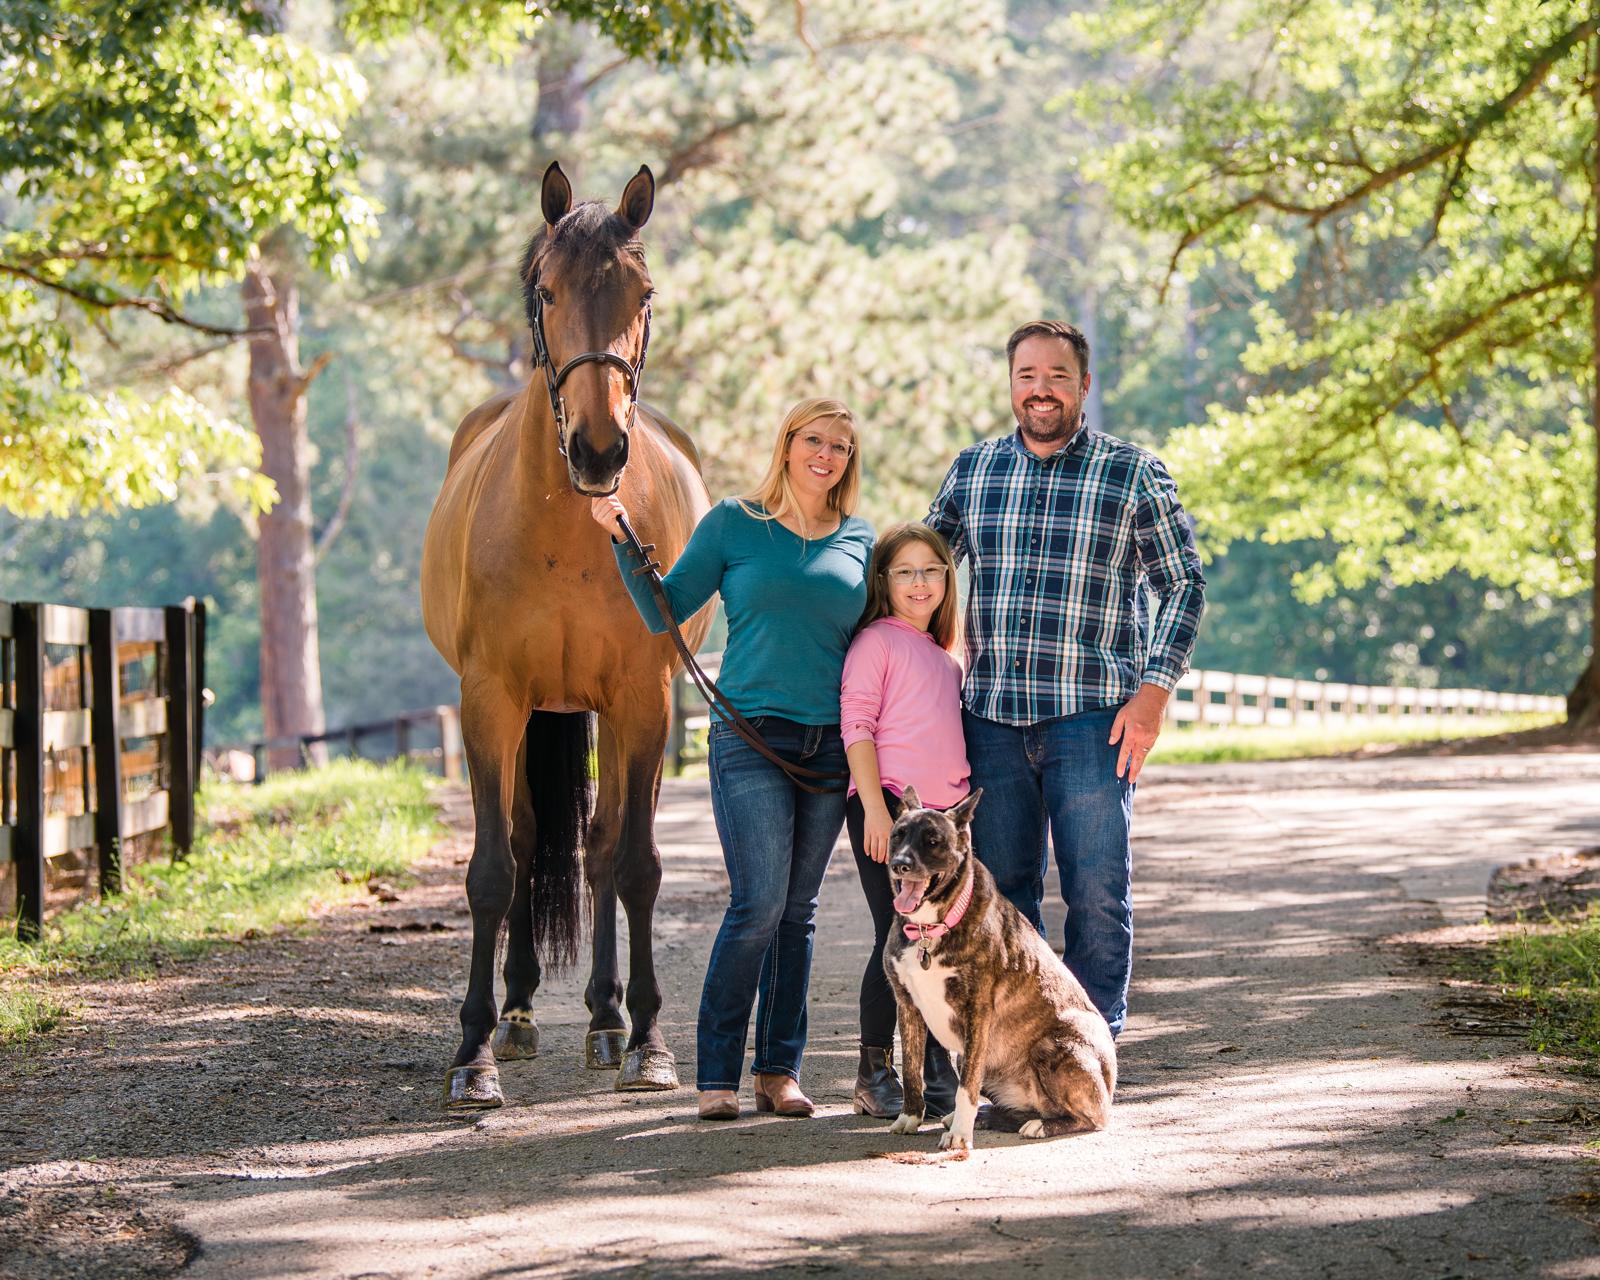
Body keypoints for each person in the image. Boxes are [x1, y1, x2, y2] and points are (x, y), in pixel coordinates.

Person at [591, 398, 873, 1121]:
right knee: (759, 904)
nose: (827, 455)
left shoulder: (860, 540)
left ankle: (778, 1071)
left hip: (829, 748)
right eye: (815, 440)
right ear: (787, 444)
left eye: (841, 446)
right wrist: (624, 541)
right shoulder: (733, 523)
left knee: (798, 914)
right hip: (750, 738)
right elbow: (662, 611)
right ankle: (716, 1075)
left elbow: (882, 643)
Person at [926, 320, 1205, 1037]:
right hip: (989, 720)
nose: (1041, 389)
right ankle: (1020, 1047)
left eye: (1056, 376)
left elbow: (1182, 585)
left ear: (1083, 384)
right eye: (1027, 375)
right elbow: (919, 573)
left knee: (1098, 892)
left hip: (1093, 720)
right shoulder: (974, 471)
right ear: (1011, 384)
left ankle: (1090, 1045)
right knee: (1002, 898)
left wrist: (1154, 692)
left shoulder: (1132, 472)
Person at [839, 523, 967, 1120]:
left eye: (932, 570)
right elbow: (857, 726)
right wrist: (873, 809)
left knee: (939, 939)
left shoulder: (946, 657)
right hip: (891, 809)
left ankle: (939, 1074)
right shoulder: (877, 642)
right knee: (897, 934)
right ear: (884, 581)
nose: (920, 582)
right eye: (906, 572)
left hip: (943, 822)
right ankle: (874, 1071)